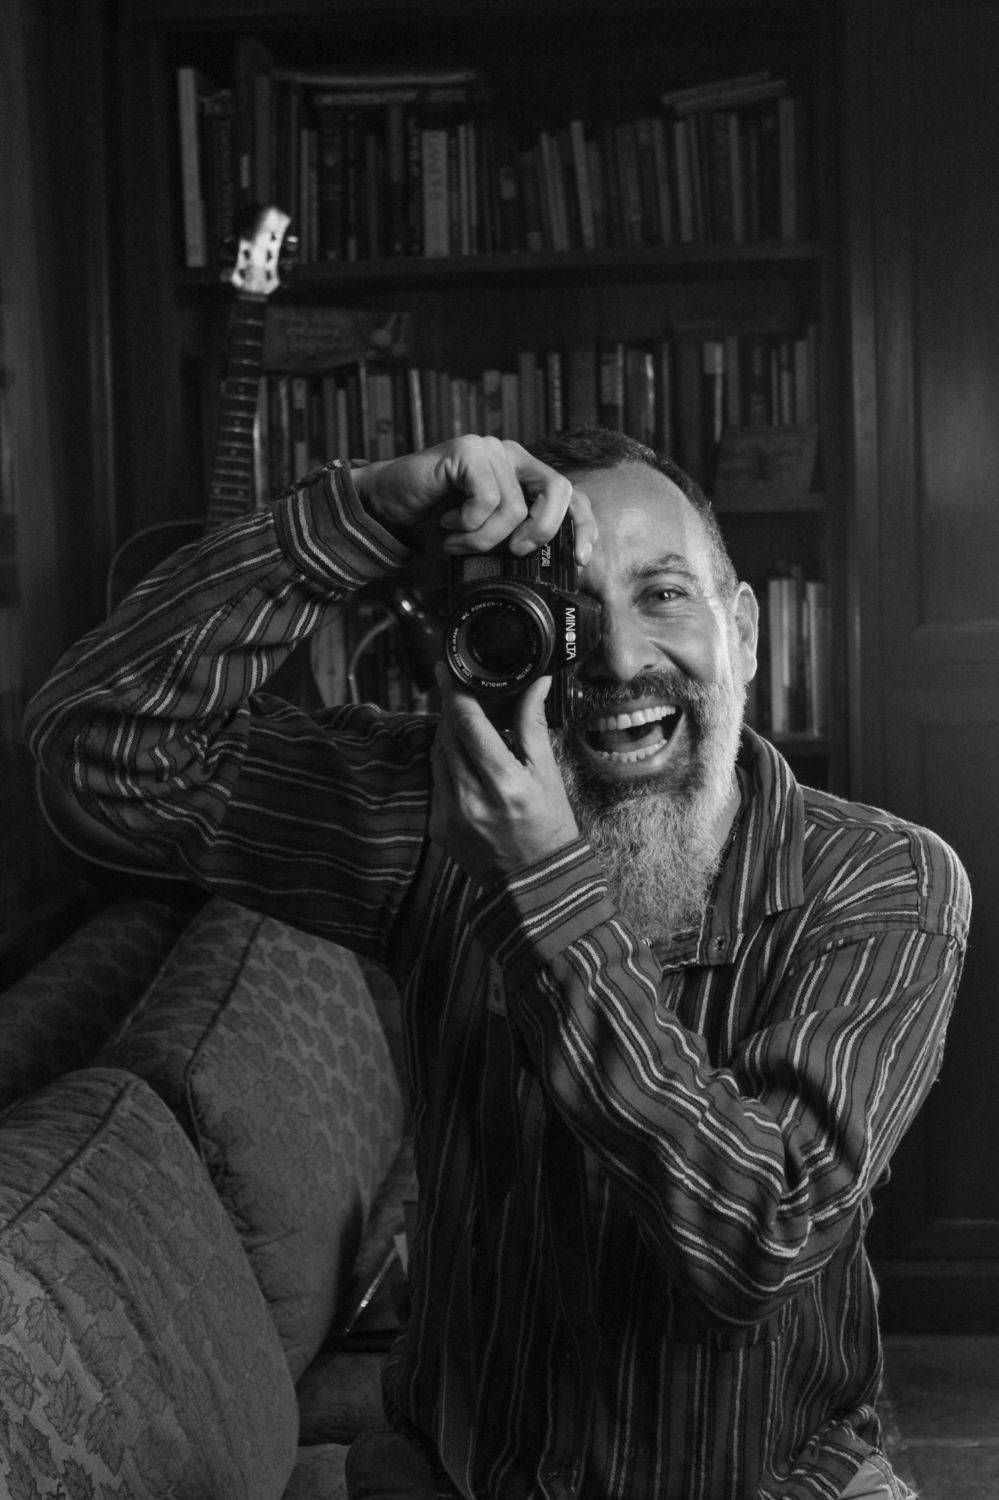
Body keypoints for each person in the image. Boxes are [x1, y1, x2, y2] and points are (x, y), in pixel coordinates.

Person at [24, 429, 969, 1500]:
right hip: (466, 1477)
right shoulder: (430, 818)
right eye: (564, 610)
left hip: (779, 1481)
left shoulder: (884, 880)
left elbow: (760, 1242)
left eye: (663, 595)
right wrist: (357, 515)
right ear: (495, 637)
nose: (618, 659)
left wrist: (538, 887)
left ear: (742, 633)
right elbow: (96, 752)